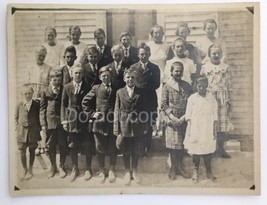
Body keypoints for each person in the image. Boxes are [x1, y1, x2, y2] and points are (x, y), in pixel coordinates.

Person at [82, 66, 118, 183]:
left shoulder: (116, 87)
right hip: (99, 123)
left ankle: (112, 168)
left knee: (113, 146)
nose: (106, 78)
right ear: (100, 77)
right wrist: (93, 114)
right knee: (99, 147)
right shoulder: (96, 88)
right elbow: (85, 102)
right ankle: (101, 170)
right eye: (103, 76)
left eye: (108, 75)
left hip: (112, 122)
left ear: (111, 76)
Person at [61, 65, 95, 182]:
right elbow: (63, 105)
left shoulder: (87, 87)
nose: (78, 75)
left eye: (80, 73)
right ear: (72, 74)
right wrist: (64, 120)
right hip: (71, 120)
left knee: (87, 144)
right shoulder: (66, 87)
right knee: (72, 144)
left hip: (84, 119)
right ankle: (75, 168)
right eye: (75, 73)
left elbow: (91, 104)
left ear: (83, 74)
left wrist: (90, 119)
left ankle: (88, 168)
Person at [114, 68, 147, 185]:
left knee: (136, 148)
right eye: (128, 77)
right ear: (124, 78)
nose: (130, 79)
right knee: (126, 149)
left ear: (136, 79)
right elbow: (116, 110)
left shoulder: (141, 92)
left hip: (137, 124)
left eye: (132, 77)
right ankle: (127, 171)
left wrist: (145, 126)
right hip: (124, 124)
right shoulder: (119, 92)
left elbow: (144, 110)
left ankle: (135, 170)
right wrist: (116, 128)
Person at [200, 44, 233, 159]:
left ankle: (221, 148)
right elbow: (201, 84)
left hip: (222, 98)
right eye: (213, 53)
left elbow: (229, 85)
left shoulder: (226, 67)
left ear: (221, 54)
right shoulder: (205, 68)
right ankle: (210, 148)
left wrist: (229, 99)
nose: (216, 55)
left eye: (218, 53)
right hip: (209, 98)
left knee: (221, 125)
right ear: (209, 55)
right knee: (210, 122)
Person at [161, 62, 192, 180]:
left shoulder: (187, 86)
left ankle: (180, 166)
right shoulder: (167, 86)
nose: (178, 73)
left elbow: (191, 102)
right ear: (171, 72)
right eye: (176, 71)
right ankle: (173, 167)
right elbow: (163, 104)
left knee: (181, 145)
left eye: (180, 71)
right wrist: (173, 118)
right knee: (173, 145)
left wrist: (184, 117)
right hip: (172, 119)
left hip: (184, 118)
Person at [184, 76, 218, 183]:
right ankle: (196, 172)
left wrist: (214, 129)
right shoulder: (192, 98)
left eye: (203, 86)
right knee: (196, 151)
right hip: (196, 127)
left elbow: (215, 114)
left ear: (207, 86)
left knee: (207, 151)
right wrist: (189, 129)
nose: (201, 88)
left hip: (207, 128)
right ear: (196, 86)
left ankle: (209, 172)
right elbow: (188, 116)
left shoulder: (211, 98)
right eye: (199, 86)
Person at [130, 42, 161, 156]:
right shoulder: (133, 68)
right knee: (138, 124)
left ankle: (148, 148)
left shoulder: (154, 68)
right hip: (137, 101)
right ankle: (139, 149)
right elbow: (131, 83)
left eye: (146, 54)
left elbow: (156, 84)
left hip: (150, 100)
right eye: (142, 54)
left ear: (150, 54)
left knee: (148, 125)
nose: (144, 56)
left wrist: (142, 86)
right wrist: (141, 87)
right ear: (138, 55)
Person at [40, 70, 68, 178]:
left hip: (61, 122)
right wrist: (43, 124)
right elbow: (42, 109)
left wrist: (65, 119)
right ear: (50, 80)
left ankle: (61, 166)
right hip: (50, 122)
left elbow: (65, 105)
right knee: (50, 145)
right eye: (54, 80)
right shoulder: (45, 91)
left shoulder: (64, 89)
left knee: (63, 144)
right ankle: (53, 166)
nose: (57, 82)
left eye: (59, 80)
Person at [146, 24, 170, 137]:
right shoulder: (148, 45)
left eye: (160, 33)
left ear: (163, 34)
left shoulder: (167, 46)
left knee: (161, 103)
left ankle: (161, 128)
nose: (157, 35)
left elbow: (169, 63)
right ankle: (153, 127)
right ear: (152, 34)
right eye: (155, 33)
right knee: (151, 103)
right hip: (150, 76)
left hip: (163, 76)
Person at [15, 84, 41, 180]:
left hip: (33, 132)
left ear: (33, 93)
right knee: (22, 151)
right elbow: (15, 117)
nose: (27, 95)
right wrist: (17, 128)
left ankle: (30, 169)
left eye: (29, 93)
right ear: (22, 94)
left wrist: (38, 130)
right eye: (25, 94)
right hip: (21, 132)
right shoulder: (19, 104)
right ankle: (24, 169)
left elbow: (39, 117)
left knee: (32, 150)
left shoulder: (36, 104)